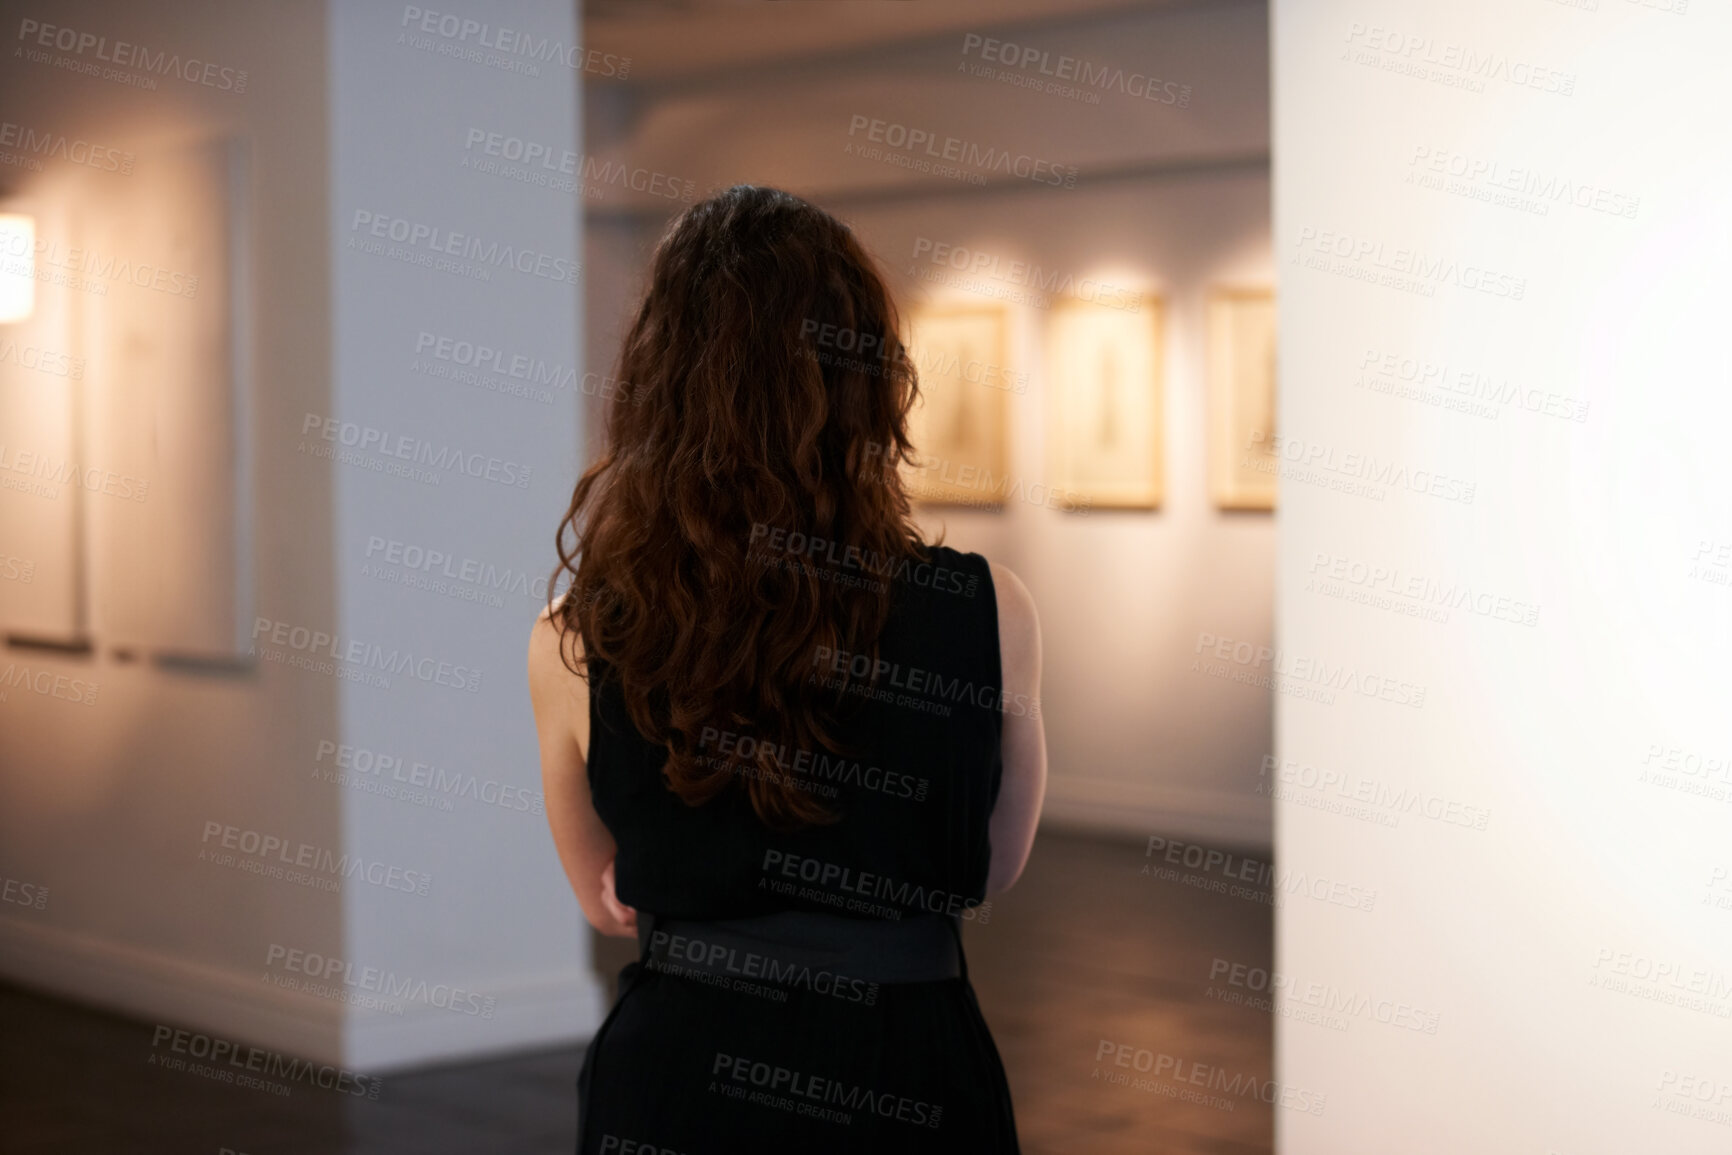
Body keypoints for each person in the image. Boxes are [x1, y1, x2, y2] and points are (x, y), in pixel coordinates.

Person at [527, 184, 1046, 1153]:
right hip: (907, 1065)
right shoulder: (992, 609)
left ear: (660, 382)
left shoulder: (574, 632)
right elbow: (992, 866)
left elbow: (606, 897)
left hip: (682, 1073)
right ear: (872, 378)